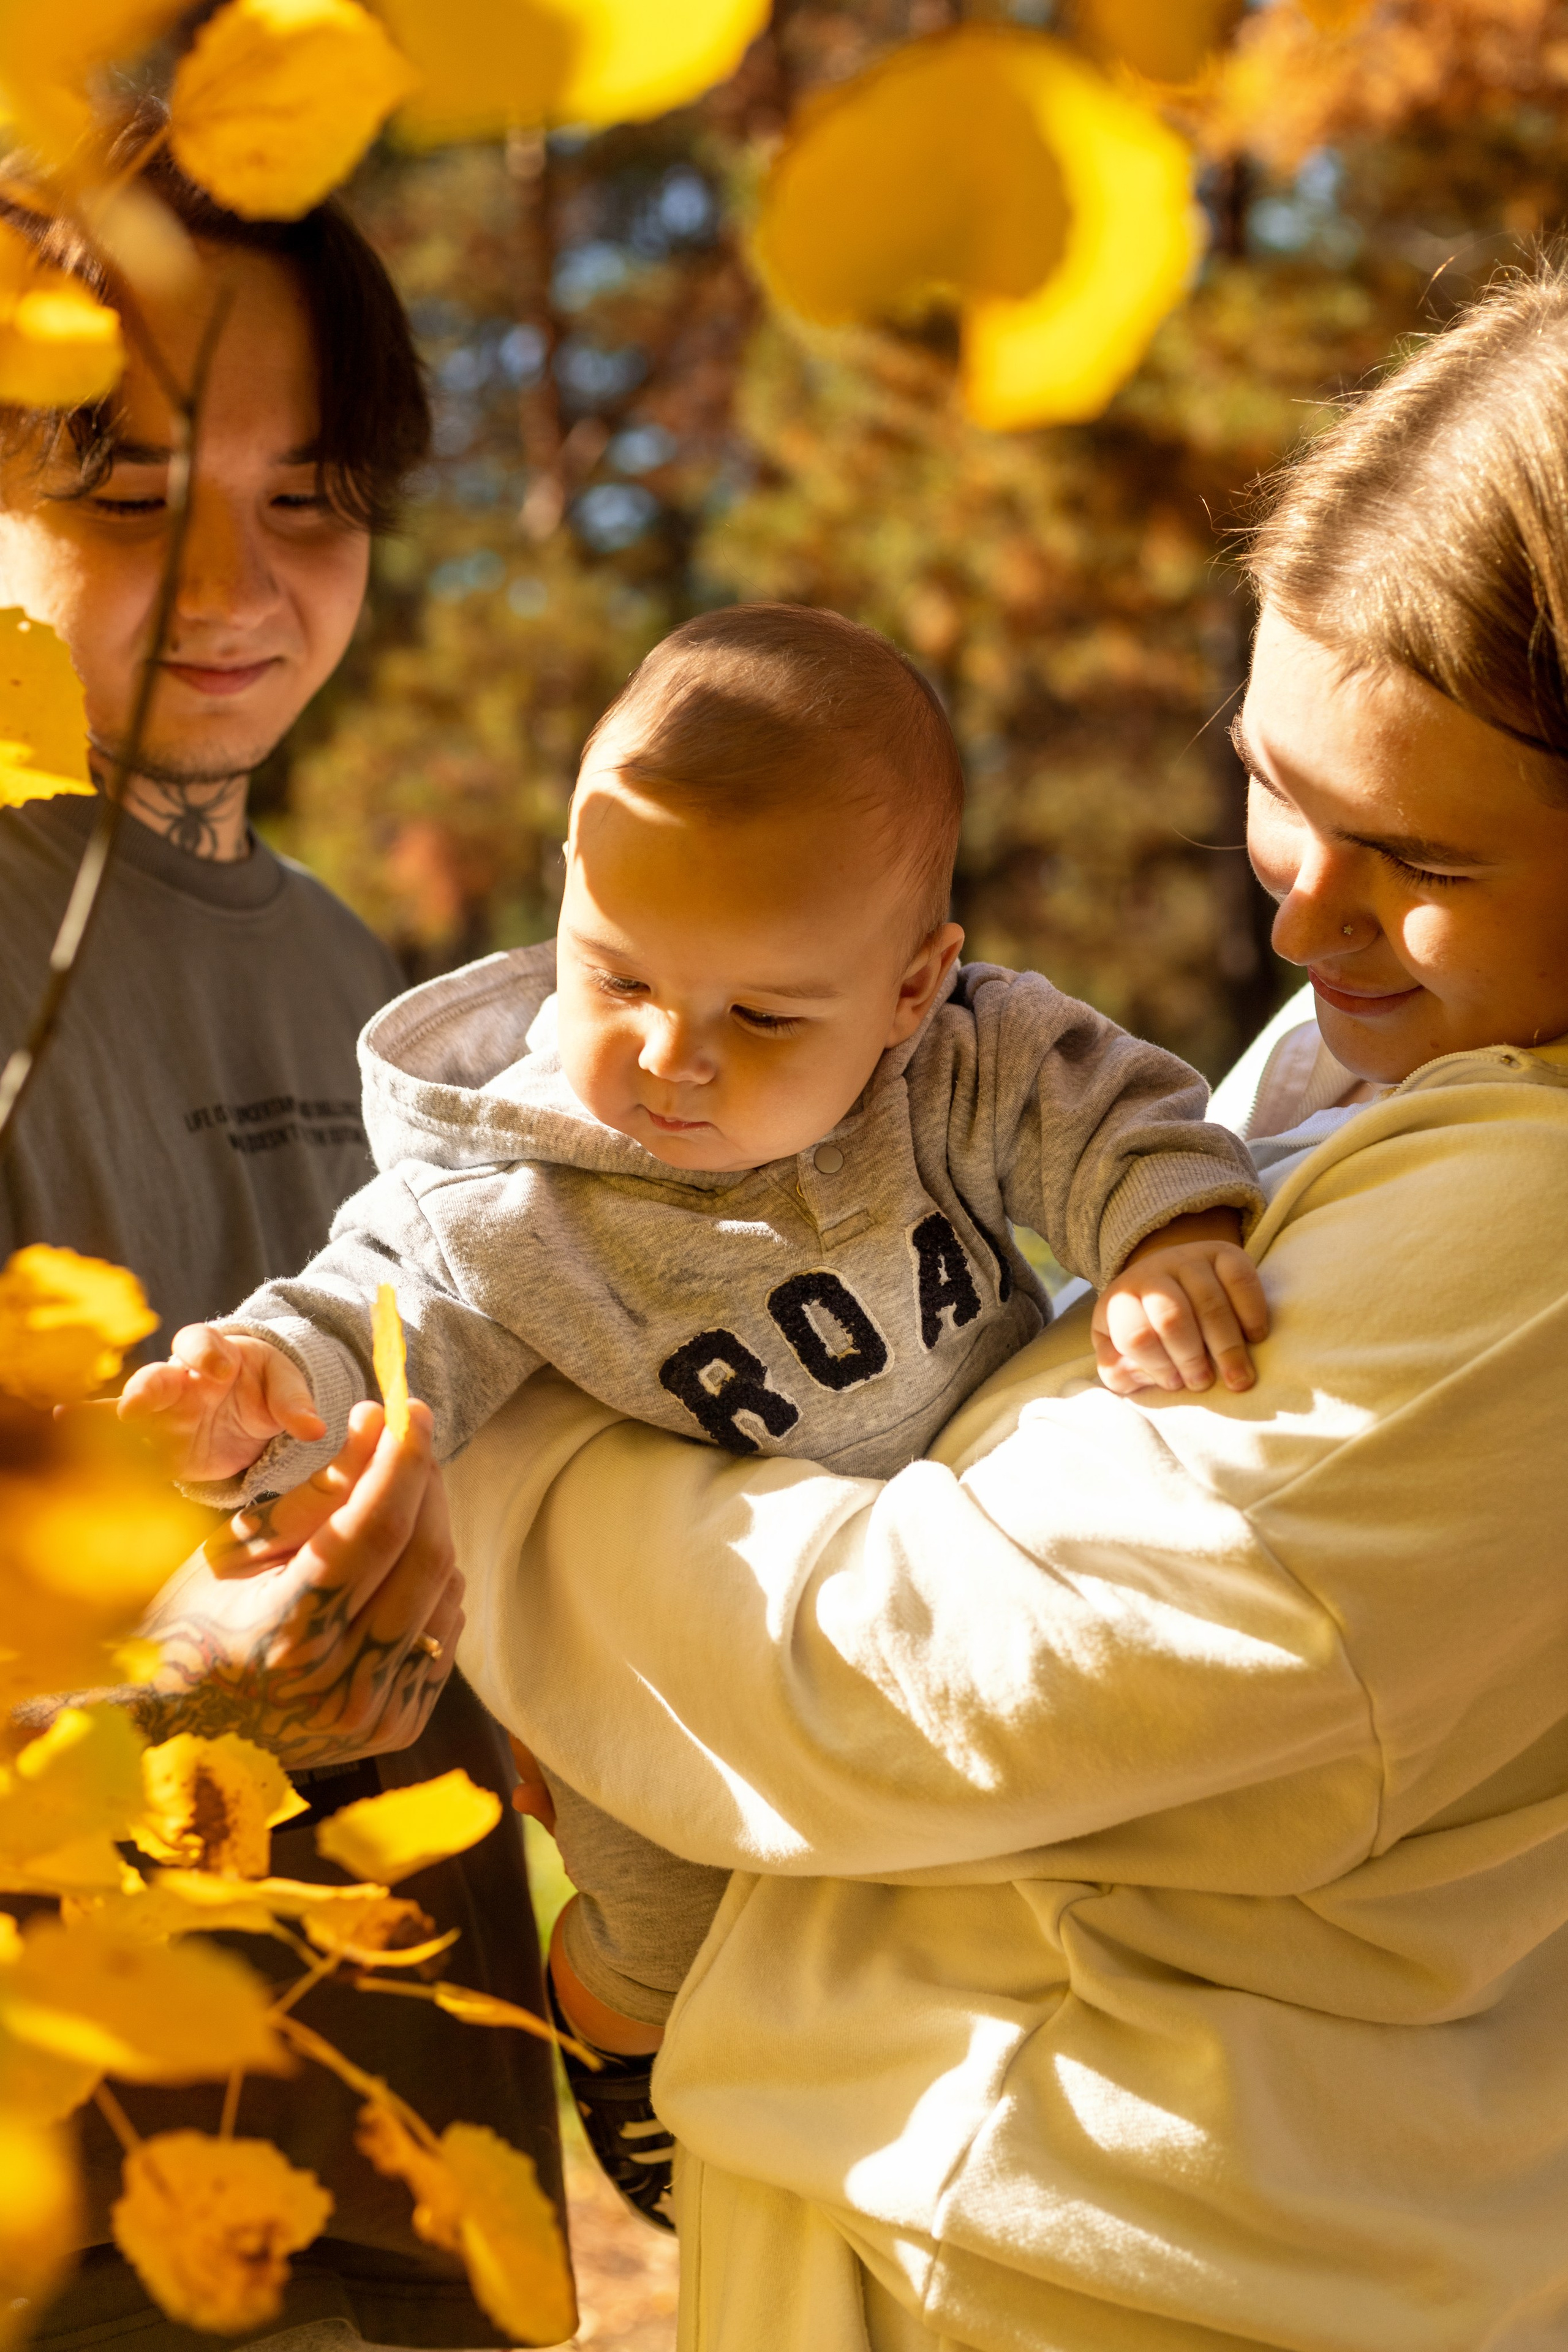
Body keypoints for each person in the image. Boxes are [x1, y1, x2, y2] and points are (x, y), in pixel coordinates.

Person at [395, 262, 1568, 2348]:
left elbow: (927, 1676)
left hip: (1097, 2273)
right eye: (1272, 780)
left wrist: (492, 1424)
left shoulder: (1533, 1250)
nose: (1295, 895)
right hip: (1000, 2216)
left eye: (1410, 851)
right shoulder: (1373, 1072)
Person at [124, 601, 1271, 2220]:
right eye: (621, 977)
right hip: (677, 1672)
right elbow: (378, 1308)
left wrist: (1165, 1234)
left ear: (909, 985)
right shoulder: (513, 1193)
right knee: (670, 1911)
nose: (674, 1057)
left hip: (950, 1583)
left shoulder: (956, 1066)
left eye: (764, 1016)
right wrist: (261, 1381)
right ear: (568, 912)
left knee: (1005, 1886)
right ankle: (610, 2011)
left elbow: (1103, 1108)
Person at [0, 129, 562, 2351]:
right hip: (95, 2213)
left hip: (429, 2158)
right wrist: (161, 1659)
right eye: (125, 493)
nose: (234, 581)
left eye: (308, 496)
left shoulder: (385, 990)